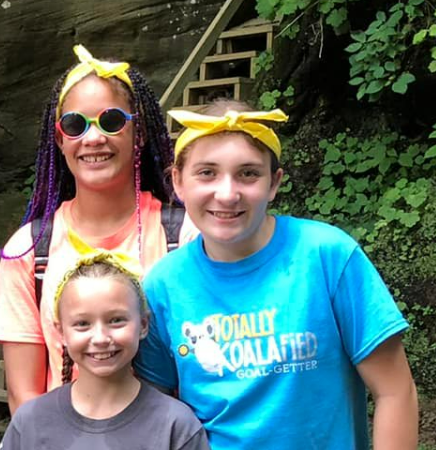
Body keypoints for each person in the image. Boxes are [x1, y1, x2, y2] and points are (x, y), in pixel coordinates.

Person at [133, 100, 420, 449]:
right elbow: (153, 414)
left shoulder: (327, 257)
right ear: (178, 181)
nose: (227, 193)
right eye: (207, 172)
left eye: (248, 173)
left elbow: (394, 391)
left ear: (274, 182)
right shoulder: (163, 286)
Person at [0, 44, 194, 412]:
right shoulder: (31, 249)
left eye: (112, 121)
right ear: (59, 138)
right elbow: (25, 399)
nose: (93, 138)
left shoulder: (185, 236)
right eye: (75, 124)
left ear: (140, 133)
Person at [0, 234, 207, 450]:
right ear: (60, 331)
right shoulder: (30, 422)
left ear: (144, 324)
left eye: (116, 320)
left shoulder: (176, 426)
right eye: (82, 324)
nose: (100, 338)